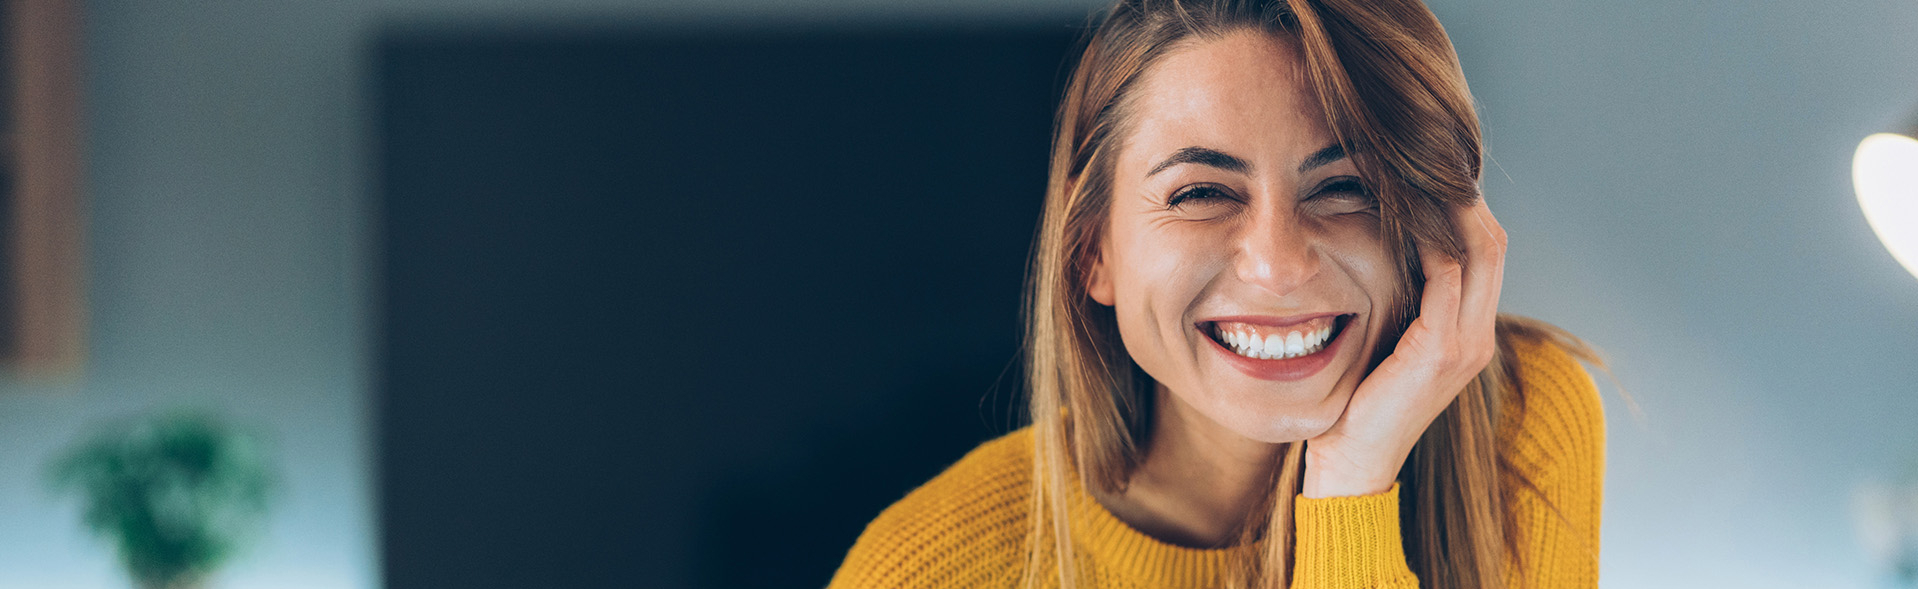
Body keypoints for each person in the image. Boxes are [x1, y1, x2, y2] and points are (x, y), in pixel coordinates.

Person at [828, 0, 1605, 587]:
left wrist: (1353, 484)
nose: (1277, 264)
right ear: (1090, 248)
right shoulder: (926, 568)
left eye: (1345, 187)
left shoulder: (1522, 426)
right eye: (1201, 192)